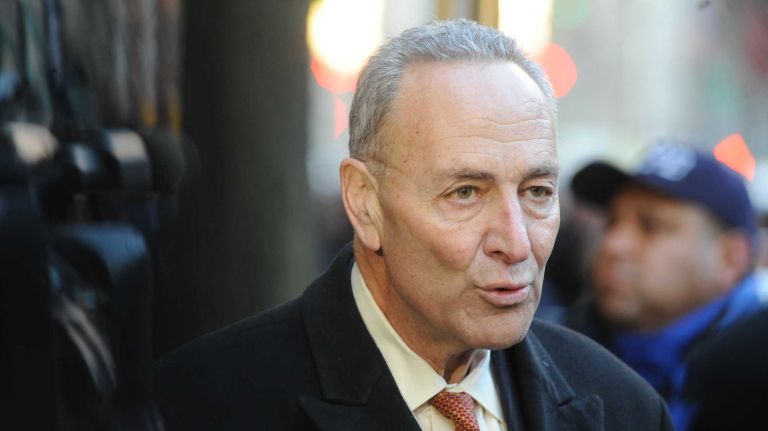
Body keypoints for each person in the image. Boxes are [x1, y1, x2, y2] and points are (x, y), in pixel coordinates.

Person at [154, 19, 672, 430]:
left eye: (537, 192)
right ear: (365, 204)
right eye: (465, 193)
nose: (517, 243)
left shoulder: (623, 406)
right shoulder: (200, 403)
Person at [568, 140, 766, 431]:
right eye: (612, 222)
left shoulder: (755, 375)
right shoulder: (556, 350)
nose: (613, 245)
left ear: (730, 258)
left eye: (650, 226)